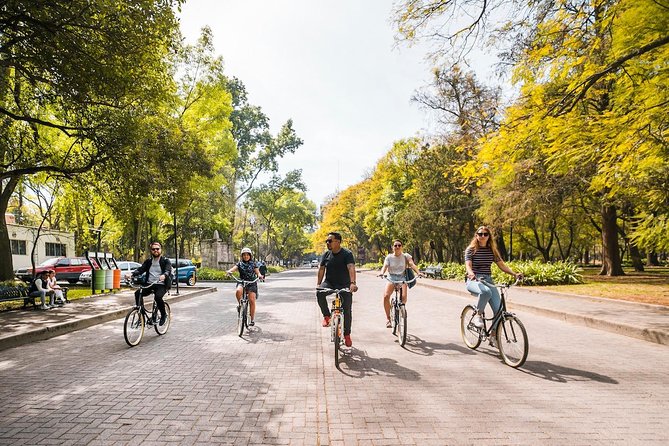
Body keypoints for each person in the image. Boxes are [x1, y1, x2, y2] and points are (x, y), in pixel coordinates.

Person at [465, 226, 522, 330]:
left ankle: (493, 335)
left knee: (499, 311)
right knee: (485, 292)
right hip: (474, 280)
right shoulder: (471, 250)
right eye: (480, 234)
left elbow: (502, 265)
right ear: (476, 236)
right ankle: (478, 315)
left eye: (485, 234)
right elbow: (468, 265)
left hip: (488, 280)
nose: (483, 236)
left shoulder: (492, 250)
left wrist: (514, 274)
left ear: (489, 237)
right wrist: (471, 274)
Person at [316, 232, 358, 347]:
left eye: (330, 241)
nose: (327, 243)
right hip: (329, 283)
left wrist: (352, 283)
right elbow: (321, 270)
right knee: (319, 293)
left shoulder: (347, 254)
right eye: (327, 241)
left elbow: (351, 267)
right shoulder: (326, 255)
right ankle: (327, 316)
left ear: (338, 242)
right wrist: (319, 284)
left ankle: (347, 335)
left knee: (347, 310)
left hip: (345, 284)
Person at [379, 239, 424, 328]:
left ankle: (400, 310)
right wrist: (382, 272)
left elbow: (412, 264)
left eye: (399, 245)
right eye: (395, 245)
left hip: (402, 278)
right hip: (391, 278)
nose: (397, 247)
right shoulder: (389, 257)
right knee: (386, 296)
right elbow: (385, 266)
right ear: (393, 248)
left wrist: (418, 272)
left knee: (403, 298)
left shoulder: (406, 256)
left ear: (402, 247)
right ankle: (388, 319)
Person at [130, 242, 172, 326]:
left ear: (161, 250)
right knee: (138, 293)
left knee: (158, 297)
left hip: (161, 284)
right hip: (149, 284)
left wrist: (164, 275)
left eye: (157, 249)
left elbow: (168, 270)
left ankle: (164, 315)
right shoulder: (148, 261)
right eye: (153, 249)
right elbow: (141, 270)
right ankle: (140, 316)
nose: (155, 250)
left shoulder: (165, 261)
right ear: (151, 251)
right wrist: (132, 274)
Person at [227, 247, 263, 326]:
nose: (246, 256)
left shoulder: (253, 264)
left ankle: (252, 319)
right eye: (244, 255)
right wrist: (230, 271)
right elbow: (234, 268)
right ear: (242, 256)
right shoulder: (239, 263)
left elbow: (257, 271)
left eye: (247, 255)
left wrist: (260, 275)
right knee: (238, 291)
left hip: (251, 282)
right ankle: (240, 306)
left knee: (252, 300)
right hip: (242, 281)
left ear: (250, 256)